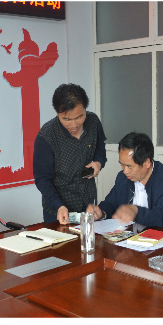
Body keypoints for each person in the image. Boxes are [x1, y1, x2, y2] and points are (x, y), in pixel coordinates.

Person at [33, 83, 107, 224]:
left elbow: (100, 148)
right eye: (66, 119)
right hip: (59, 210)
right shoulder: (47, 136)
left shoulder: (93, 122)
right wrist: (58, 205)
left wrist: (98, 162)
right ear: (57, 113)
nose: (74, 125)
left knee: (91, 238)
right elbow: (42, 179)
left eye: (79, 117)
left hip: (88, 205)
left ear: (85, 109)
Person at [86, 132, 163, 231]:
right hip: (132, 237)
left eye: (129, 166)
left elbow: (161, 218)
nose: (125, 171)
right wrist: (101, 212)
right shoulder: (122, 177)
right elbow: (111, 203)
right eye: (122, 165)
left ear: (147, 162)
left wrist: (135, 211)